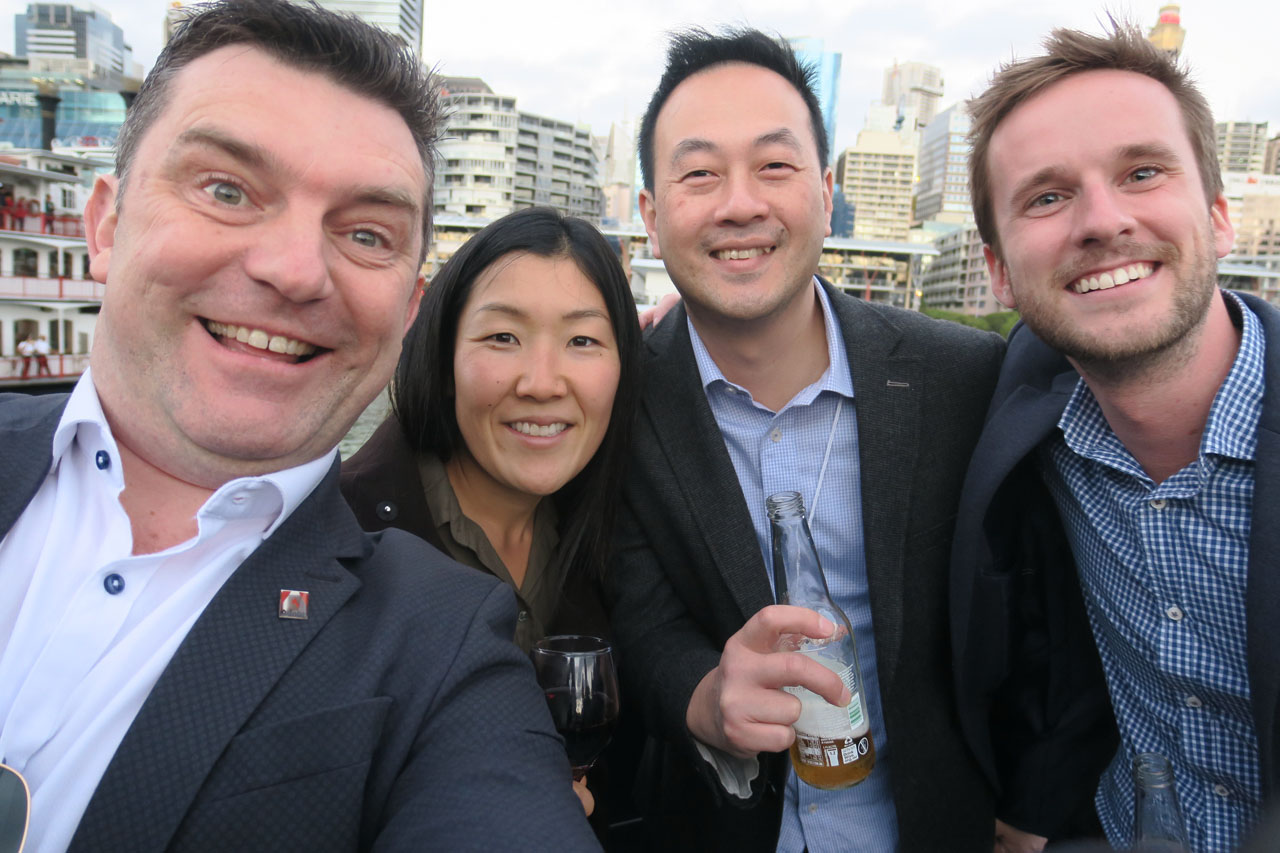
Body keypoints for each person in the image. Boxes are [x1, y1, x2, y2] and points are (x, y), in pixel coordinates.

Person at [0, 2, 599, 851]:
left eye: (366, 233)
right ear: (106, 222)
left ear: (407, 311)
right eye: (226, 190)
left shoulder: (441, 647)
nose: (293, 270)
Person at [608, 27, 1005, 851]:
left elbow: (1029, 606)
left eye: (774, 166)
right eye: (699, 174)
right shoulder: (618, 399)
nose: (740, 204)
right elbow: (639, 615)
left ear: (826, 192)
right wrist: (704, 696)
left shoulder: (961, 378)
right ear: (651, 214)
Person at [951, 22, 1278, 853]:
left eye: (1141, 173)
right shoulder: (1030, 409)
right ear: (998, 271)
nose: (1102, 221)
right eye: (1047, 197)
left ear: (1218, 218)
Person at [341, 205, 642, 823]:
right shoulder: (341, 542)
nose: (542, 383)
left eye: (582, 341)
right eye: (503, 337)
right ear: (443, 354)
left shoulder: (614, 537)